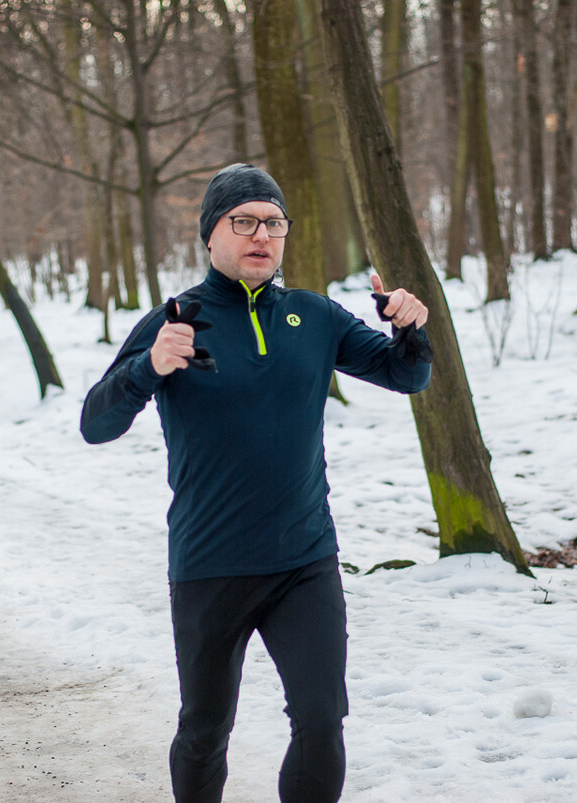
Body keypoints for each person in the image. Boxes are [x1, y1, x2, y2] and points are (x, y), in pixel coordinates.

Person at [80, 163, 432, 803]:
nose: (262, 235)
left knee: (321, 721)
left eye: (274, 223)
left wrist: (409, 328)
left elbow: (406, 376)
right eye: (243, 221)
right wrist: (150, 367)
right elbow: (96, 425)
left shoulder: (314, 316)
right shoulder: (176, 321)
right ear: (210, 235)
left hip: (304, 561)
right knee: (206, 728)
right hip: (210, 563)